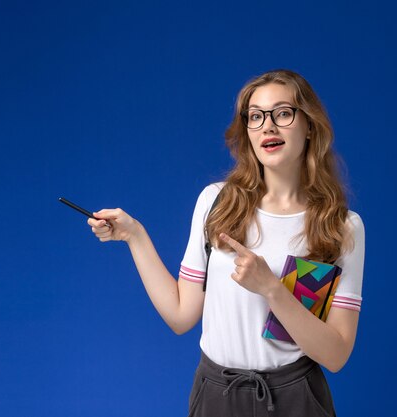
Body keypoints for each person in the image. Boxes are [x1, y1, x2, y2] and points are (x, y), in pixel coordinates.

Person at [87, 69, 365, 417]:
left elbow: (336, 355)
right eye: (255, 116)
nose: (268, 126)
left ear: (309, 125)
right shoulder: (217, 202)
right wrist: (134, 236)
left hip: (296, 397)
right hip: (216, 394)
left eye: (282, 113)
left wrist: (272, 289)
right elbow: (180, 316)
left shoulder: (339, 226)